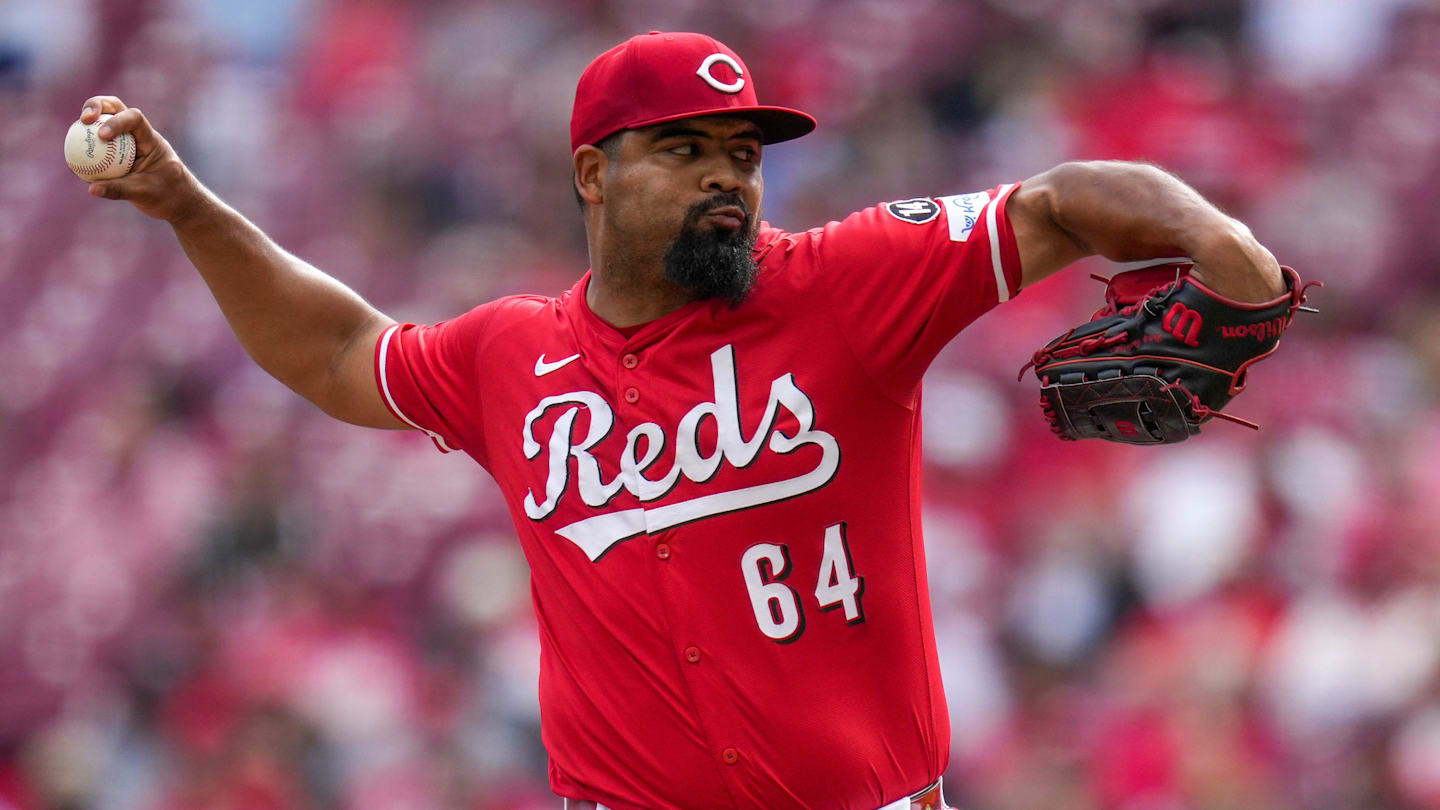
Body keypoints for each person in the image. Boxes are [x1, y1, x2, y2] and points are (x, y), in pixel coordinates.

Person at [78, 30, 1285, 810]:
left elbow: (1062, 204)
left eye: (743, 154)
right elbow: (342, 353)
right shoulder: (512, 353)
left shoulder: (847, 281)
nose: (726, 175)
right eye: (685, 148)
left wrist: (1219, 241)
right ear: (593, 174)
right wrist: (186, 206)